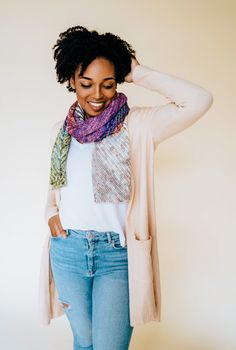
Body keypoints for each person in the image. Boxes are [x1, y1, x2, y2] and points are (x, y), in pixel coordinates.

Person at [38, 25, 213, 350]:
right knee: (84, 341)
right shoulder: (60, 132)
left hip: (117, 254)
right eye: (86, 84)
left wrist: (136, 70)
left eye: (108, 84)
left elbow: (198, 100)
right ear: (71, 81)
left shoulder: (139, 125)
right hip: (69, 251)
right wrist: (50, 213)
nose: (97, 94)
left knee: (108, 347)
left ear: (118, 81)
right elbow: (56, 186)